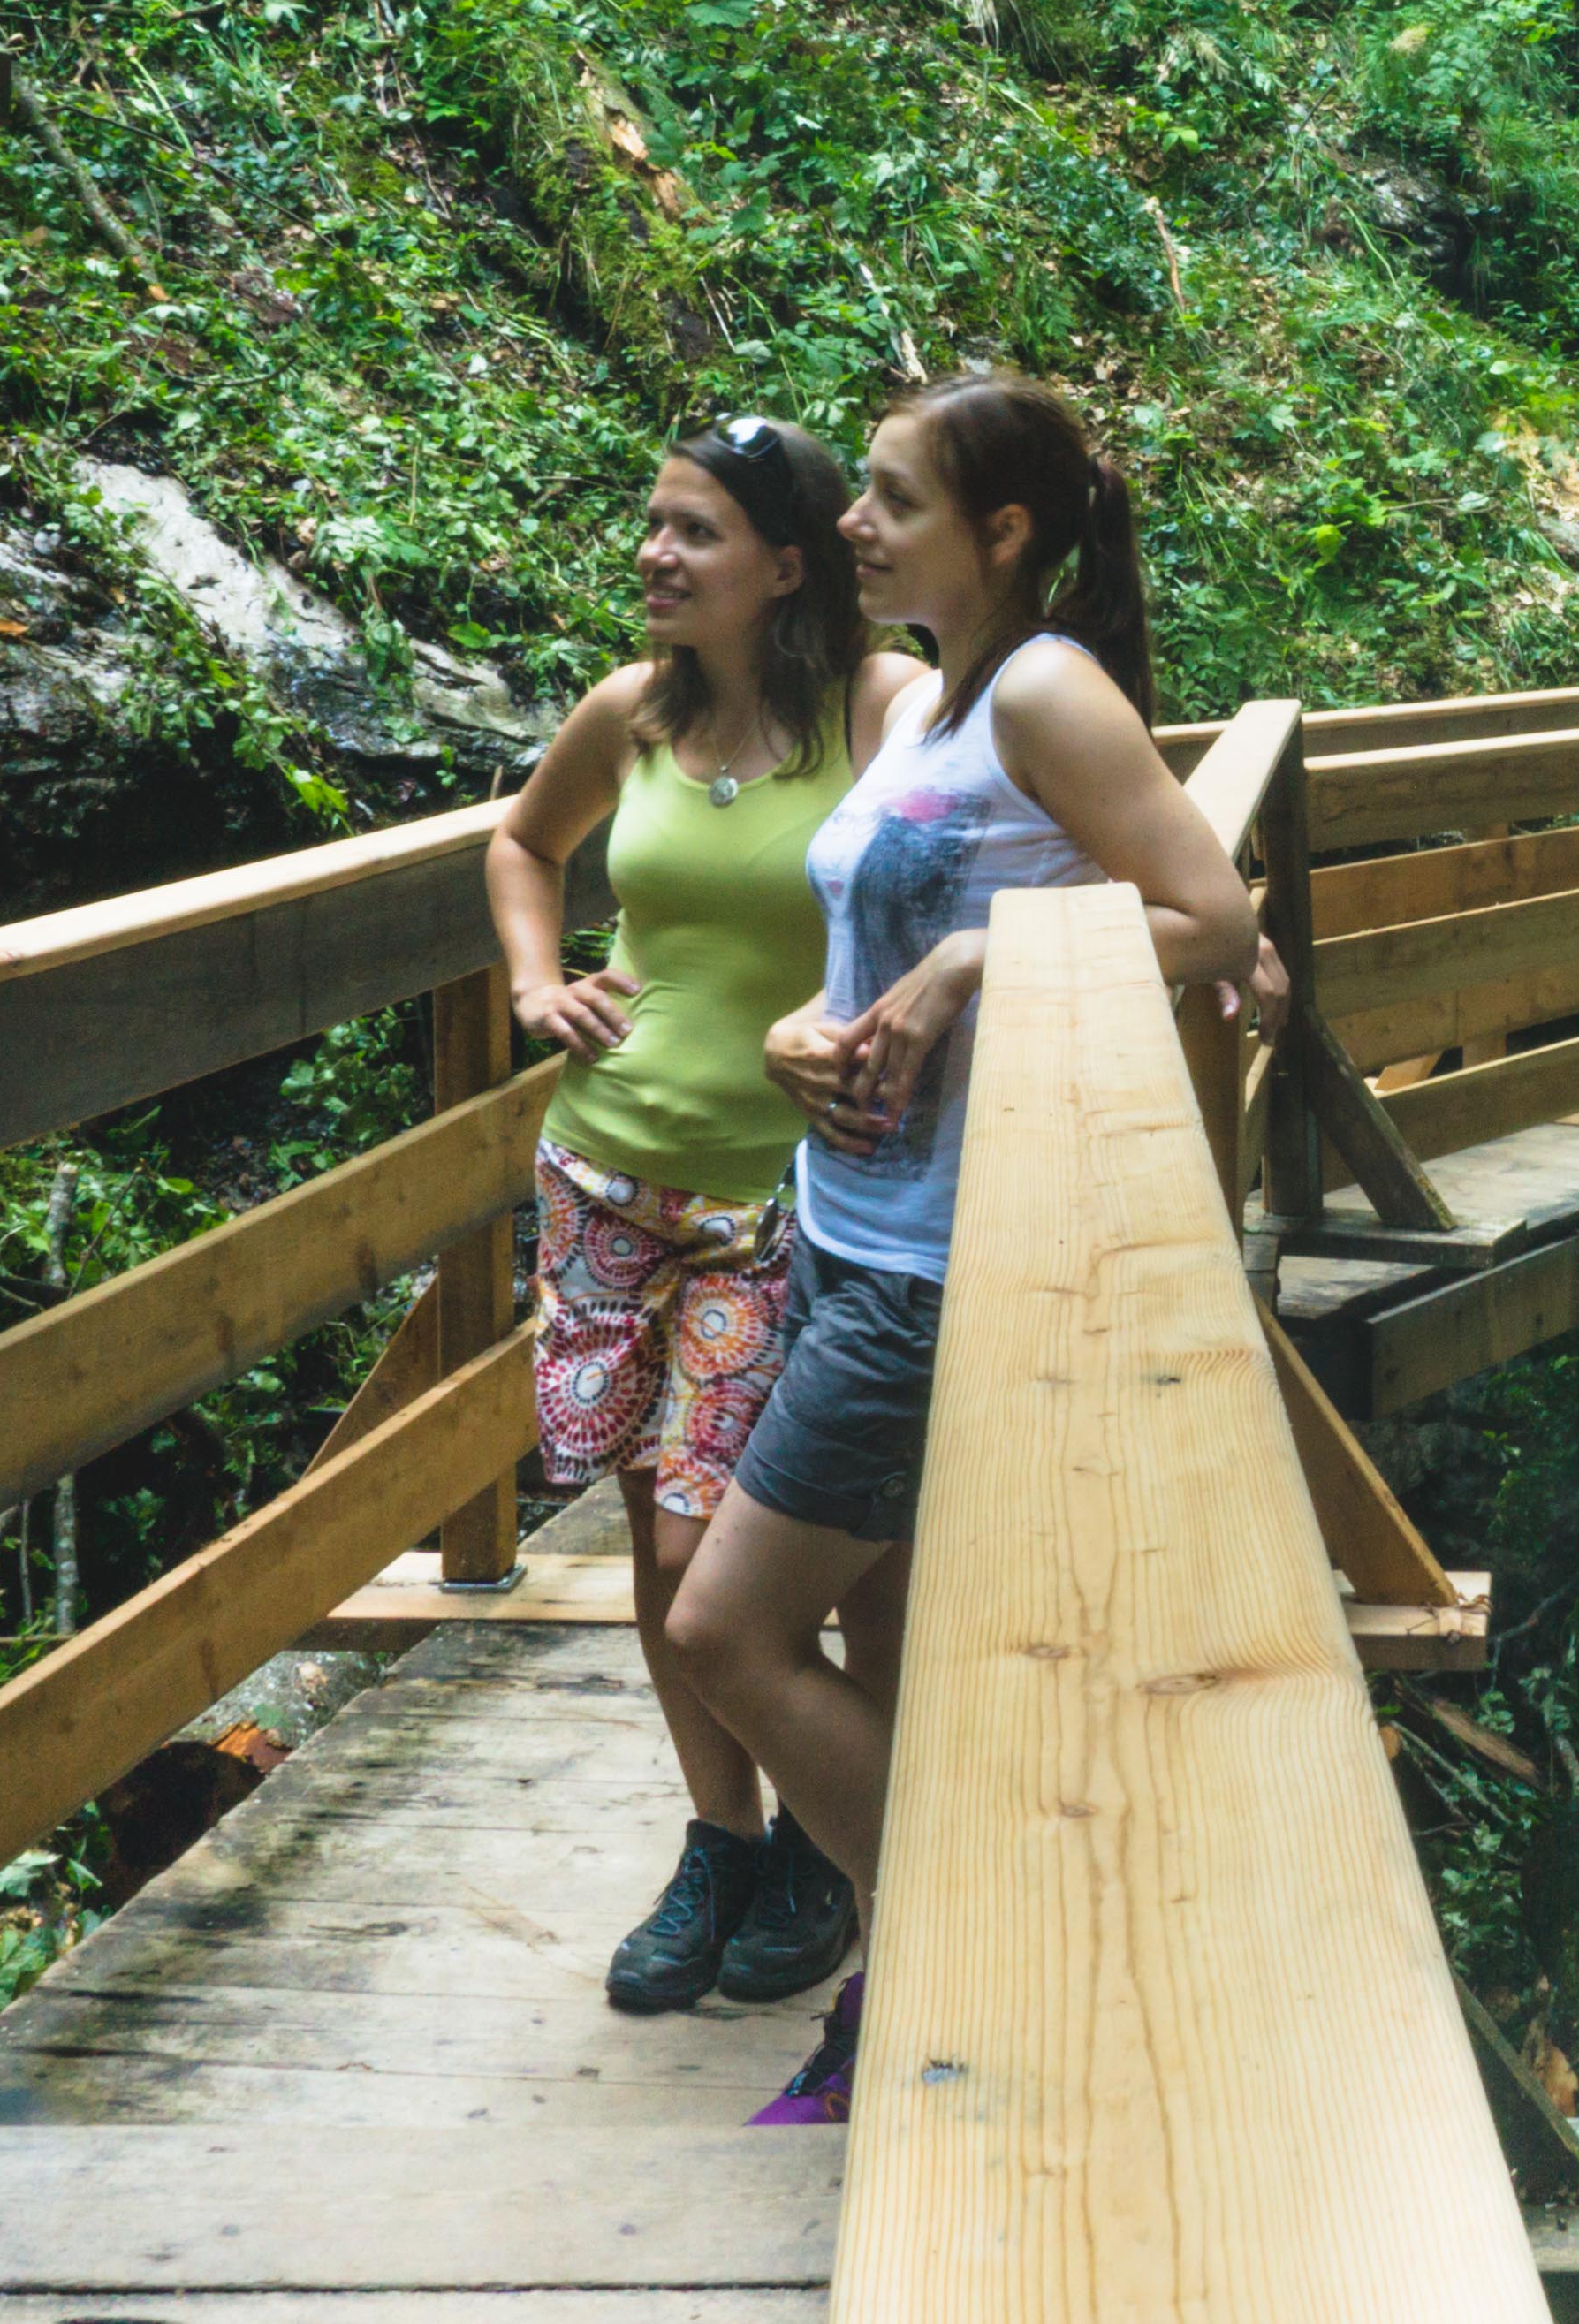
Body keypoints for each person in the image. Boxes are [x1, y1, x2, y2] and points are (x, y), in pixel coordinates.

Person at [666, 372, 1269, 2124]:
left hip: (940, 1266)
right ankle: (898, 2004)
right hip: (839, 1229)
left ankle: (969, 1943)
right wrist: (806, 1026)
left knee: (728, 1627)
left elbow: (1207, 910)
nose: (852, 524)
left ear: (1001, 532)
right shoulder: (923, 697)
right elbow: (865, 934)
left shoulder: (1050, 688)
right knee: (881, 1647)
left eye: (890, 498)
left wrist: (976, 958)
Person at [482, 415, 927, 2019]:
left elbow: (975, 840)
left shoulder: (879, 709)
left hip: (772, 1197)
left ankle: (817, 1837)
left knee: (697, 1547)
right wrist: (539, 981)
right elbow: (524, 842)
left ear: (788, 565)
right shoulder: (631, 712)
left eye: (699, 535)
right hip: (601, 1173)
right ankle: (727, 1843)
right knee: (633, 1523)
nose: (659, 556)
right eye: (655, 526)